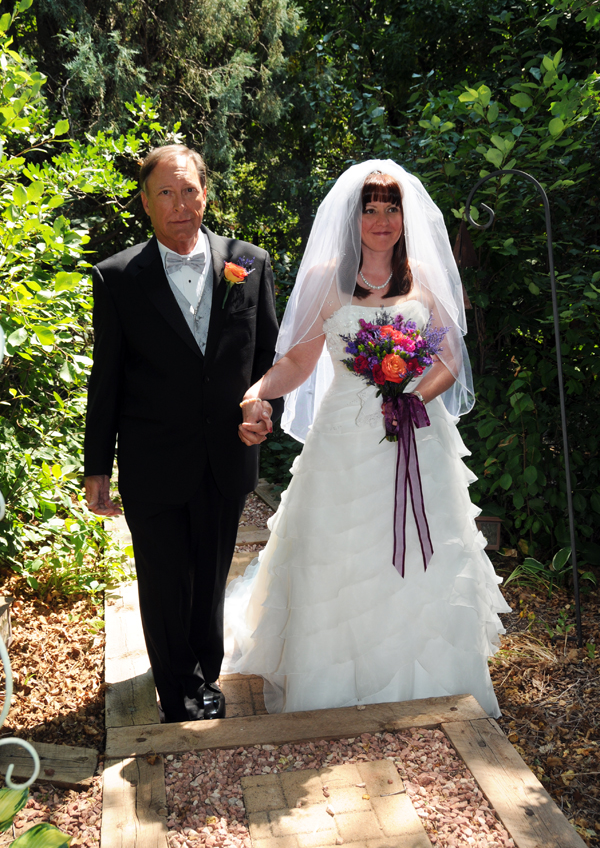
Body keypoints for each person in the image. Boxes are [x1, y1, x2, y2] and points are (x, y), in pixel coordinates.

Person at [226, 159, 510, 718]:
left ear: (406, 216)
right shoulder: (326, 280)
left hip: (416, 439)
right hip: (341, 442)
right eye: (370, 209)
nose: (381, 220)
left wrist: (411, 400)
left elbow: (450, 360)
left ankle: (424, 679)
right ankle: (332, 679)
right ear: (352, 218)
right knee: (338, 554)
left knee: (421, 554)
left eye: (391, 208)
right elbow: (298, 363)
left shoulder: (425, 280)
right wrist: (257, 389)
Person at [83, 145, 280, 723]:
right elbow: (107, 379)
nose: (179, 204)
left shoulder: (250, 263)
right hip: (152, 459)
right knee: (165, 578)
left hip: (226, 456)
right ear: (145, 202)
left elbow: (269, 358)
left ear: (205, 192)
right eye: (165, 193)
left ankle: (204, 668)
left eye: (189, 189)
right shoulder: (118, 277)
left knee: (210, 575)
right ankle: (181, 690)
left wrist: (264, 408)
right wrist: (98, 468)